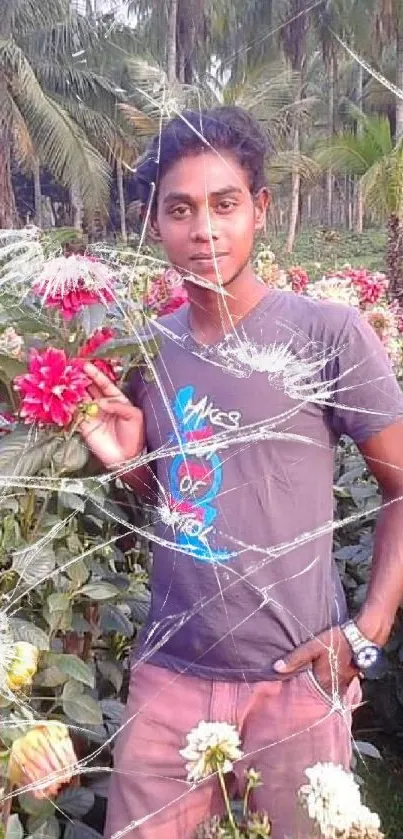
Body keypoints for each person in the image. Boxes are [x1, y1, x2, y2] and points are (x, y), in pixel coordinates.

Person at [79, 107, 403, 839]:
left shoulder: (327, 334)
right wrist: (133, 463)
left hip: (296, 678)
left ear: (258, 209)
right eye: (180, 209)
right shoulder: (147, 349)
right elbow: (193, 502)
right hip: (169, 673)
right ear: (153, 221)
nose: (204, 230)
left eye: (224, 204)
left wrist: (364, 634)